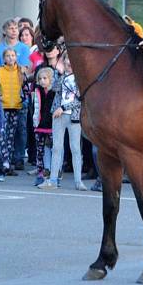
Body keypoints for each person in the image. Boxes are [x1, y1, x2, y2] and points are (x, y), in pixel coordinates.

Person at [40, 55, 86, 190]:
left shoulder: (81, 78)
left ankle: (78, 181)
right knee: (57, 148)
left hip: (73, 117)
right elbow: (54, 88)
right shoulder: (61, 77)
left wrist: (64, 108)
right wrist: (59, 72)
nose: (69, 63)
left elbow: (80, 99)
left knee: (76, 149)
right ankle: (53, 180)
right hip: (58, 117)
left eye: (71, 61)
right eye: (66, 60)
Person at [0, 48, 30, 174]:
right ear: (4, 58)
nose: (10, 58)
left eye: (13, 55)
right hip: (2, 108)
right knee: (2, 135)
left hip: (15, 107)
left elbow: (26, 89)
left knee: (10, 137)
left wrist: (22, 99)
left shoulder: (20, 72)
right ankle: (4, 163)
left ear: (16, 57)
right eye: (7, 56)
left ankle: (7, 163)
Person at [32, 67, 55, 186]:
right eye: (40, 79)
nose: (42, 81)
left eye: (45, 78)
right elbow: (35, 107)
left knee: (54, 149)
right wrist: (35, 121)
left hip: (52, 125)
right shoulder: (37, 91)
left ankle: (54, 173)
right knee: (40, 151)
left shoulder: (54, 92)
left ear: (51, 79)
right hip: (40, 125)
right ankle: (40, 173)